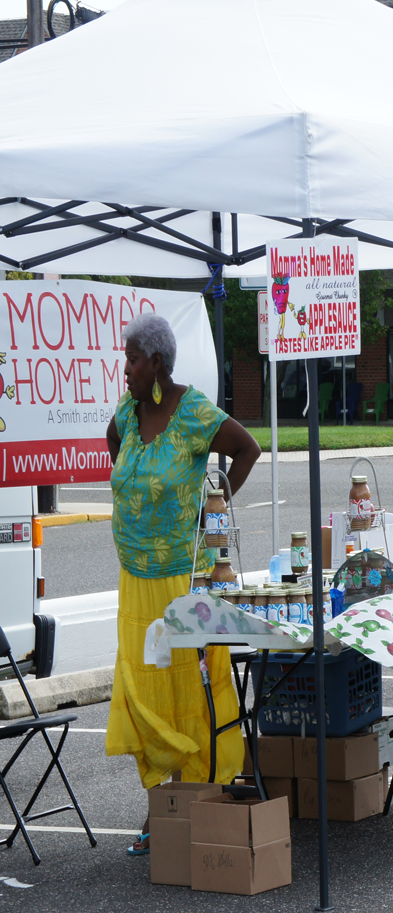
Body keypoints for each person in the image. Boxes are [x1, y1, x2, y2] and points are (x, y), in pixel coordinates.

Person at [105, 314, 261, 855]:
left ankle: (189, 802)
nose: (124, 368)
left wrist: (209, 514)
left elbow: (247, 450)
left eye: (131, 358)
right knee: (143, 690)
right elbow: (115, 446)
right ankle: (161, 807)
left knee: (185, 692)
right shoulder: (127, 413)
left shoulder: (191, 411)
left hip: (179, 580)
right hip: (134, 583)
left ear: (157, 363)